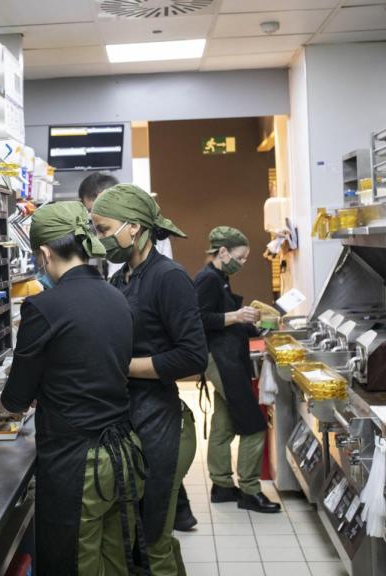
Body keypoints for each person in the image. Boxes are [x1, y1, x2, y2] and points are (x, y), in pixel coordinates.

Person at [0, 201, 148, 575]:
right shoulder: (116, 297)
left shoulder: (43, 308)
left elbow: (16, 399)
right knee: (114, 559)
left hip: (79, 462)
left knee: (72, 564)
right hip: (122, 451)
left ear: (44, 252)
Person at [91, 184, 208, 575]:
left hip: (163, 423)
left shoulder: (168, 278)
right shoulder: (122, 278)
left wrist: (122, 366)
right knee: (138, 537)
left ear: (135, 228)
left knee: (153, 537)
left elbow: (193, 355)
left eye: (105, 230)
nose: (101, 240)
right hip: (134, 419)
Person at [193, 226, 281, 513]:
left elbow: (225, 320)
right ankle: (250, 490)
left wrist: (253, 324)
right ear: (222, 252)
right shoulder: (207, 279)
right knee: (254, 425)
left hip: (228, 355)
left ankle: (221, 485)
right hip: (221, 360)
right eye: (240, 257)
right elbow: (198, 319)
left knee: (224, 422)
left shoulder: (220, 277)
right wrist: (235, 315)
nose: (243, 263)